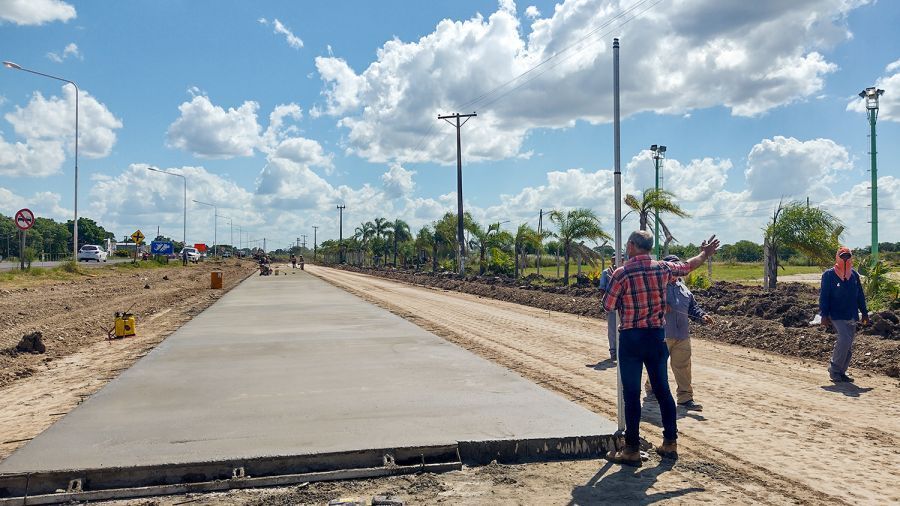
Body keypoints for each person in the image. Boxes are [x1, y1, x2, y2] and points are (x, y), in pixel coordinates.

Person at [602, 230, 719, 466]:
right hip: (657, 336)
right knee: (663, 391)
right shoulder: (663, 268)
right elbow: (688, 266)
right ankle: (669, 443)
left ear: (632, 246)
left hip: (631, 338)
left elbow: (608, 305)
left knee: (631, 394)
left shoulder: (621, 273)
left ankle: (631, 449)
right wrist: (705, 254)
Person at [643, 255, 712, 411]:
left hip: (682, 335)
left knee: (683, 367)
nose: (675, 271)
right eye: (672, 268)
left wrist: (703, 316)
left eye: (677, 268)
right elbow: (646, 305)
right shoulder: (656, 287)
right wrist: (661, 306)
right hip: (661, 334)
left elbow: (693, 308)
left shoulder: (684, 288)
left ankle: (685, 398)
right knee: (658, 365)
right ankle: (652, 390)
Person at [820, 246, 869, 383]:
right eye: (843, 256)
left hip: (851, 313)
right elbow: (824, 296)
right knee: (844, 339)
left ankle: (842, 372)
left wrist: (864, 313)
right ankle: (834, 369)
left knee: (848, 344)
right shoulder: (829, 275)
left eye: (848, 256)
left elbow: (860, 295)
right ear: (838, 257)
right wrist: (824, 315)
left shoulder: (854, 275)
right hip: (835, 313)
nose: (845, 259)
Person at [598, 264, 617, 361]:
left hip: (623, 305)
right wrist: (604, 303)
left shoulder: (625, 270)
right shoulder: (606, 272)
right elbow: (602, 289)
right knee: (612, 329)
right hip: (611, 304)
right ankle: (613, 351)